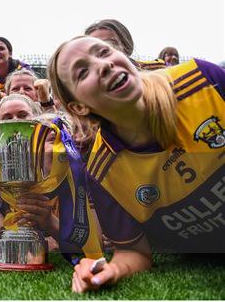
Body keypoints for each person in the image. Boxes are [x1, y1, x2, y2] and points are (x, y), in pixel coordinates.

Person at [47, 35, 225, 292]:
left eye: (104, 52)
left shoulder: (201, 79)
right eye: (83, 71)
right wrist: (112, 269)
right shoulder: (102, 172)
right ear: (79, 107)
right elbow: (134, 252)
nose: (104, 65)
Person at [84, 19, 165, 70]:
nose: (102, 51)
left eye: (110, 44)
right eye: (93, 49)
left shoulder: (155, 73)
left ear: (125, 46)